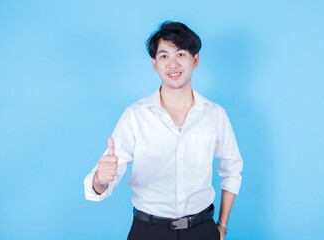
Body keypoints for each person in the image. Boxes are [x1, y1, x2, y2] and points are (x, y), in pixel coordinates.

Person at [84, 21, 243, 240]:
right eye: (164, 56)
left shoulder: (215, 115)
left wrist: (222, 225)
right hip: (148, 231)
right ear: (154, 64)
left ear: (194, 60)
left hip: (201, 230)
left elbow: (232, 170)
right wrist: (100, 180)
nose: (172, 64)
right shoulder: (135, 115)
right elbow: (100, 184)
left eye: (180, 54)